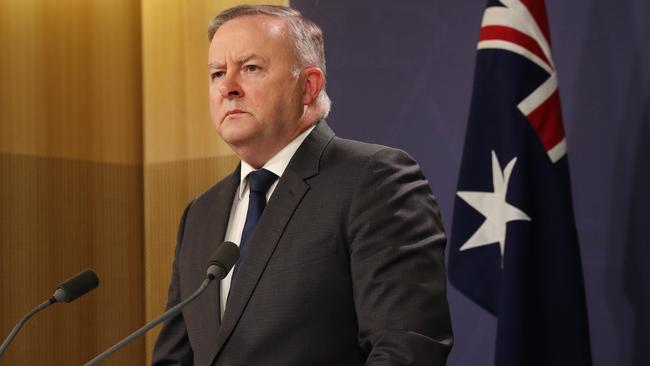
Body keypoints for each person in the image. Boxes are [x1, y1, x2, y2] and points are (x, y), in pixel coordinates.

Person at [152, 5, 452, 366]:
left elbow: (407, 347)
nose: (228, 87)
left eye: (250, 68)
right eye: (217, 73)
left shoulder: (374, 179)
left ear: (308, 86)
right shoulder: (200, 214)